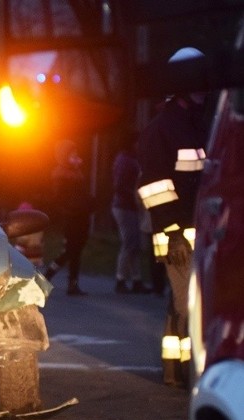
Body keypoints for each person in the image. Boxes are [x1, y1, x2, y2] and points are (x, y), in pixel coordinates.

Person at [136, 46, 211, 388]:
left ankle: (174, 369)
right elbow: (155, 188)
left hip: (201, 231)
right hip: (177, 234)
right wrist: (173, 232)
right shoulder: (161, 129)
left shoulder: (197, 125)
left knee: (182, 303)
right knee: (187, 305)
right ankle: (190, 372)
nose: (203, 89)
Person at [44, 139, 93, 296]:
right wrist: (69, 210)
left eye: (76, 152)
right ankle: (47, 275)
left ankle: (73, 284)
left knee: (76, 251)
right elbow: (59, 198)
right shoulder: (60, 174)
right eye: (71, 152)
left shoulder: (77, 172)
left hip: (82, 216)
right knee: (71, 250)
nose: (75, 155)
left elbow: (82, 194)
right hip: (72, 216)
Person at [111, 130, 151, 294]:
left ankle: (136, 279)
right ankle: (120, 279)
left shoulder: (129, 159)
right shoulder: (125, 161)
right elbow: (119, 185)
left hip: (129, 206)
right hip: (124, 206)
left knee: (134, 244)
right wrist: (135, 195)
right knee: (129, 242)